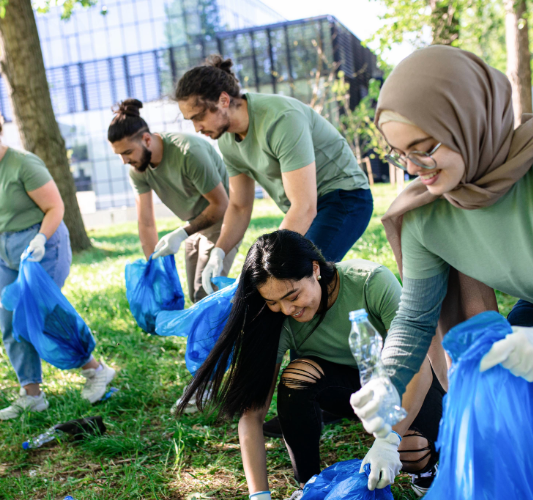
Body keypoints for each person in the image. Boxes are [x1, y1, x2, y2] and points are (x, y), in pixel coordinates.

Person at [348, 46, 533, 442]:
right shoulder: (425, 214)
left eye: (426, 149)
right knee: (494, 388)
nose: (414, 170)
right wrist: (388, 381)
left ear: (472, 121)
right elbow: (415, 318)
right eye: (400, 155)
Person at [177, 230, 444, 499]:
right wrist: (259, 495)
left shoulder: (370, 282)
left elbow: (417, 361)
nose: (287, 309)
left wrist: (389, 441)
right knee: (297, 375)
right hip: (350, 391)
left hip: (403, 384)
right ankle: (308, 484)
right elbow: (251, 414)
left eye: (292, 296)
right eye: (273, 301)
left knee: (411, 449)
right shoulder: (278, 321)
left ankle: (428, 467)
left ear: (315, 269)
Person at [0, 95, 114, 420]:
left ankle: (96, 370)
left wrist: (41, 239)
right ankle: (31, 394)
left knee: (41, 316)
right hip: (8, 250)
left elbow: (55, 207)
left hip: (43, 243)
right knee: (10, 321)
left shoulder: (23, 163)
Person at [175, 56, 374, 300]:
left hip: (345, 198)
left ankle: (358, 323)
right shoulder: (227, 139)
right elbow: (239, 206)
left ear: (224, 100)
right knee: (283, 282)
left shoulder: (281, 118)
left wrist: (259, 265)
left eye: (198, 116)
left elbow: (304, 206)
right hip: (309, 207)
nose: (196, 128)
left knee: (292, 279)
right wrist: (219, 251)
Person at [108, 99, 239, 303]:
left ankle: (238, 331)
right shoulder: (139, 170)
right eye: (119, 155)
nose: (125, 161)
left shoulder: (188, 153)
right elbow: (146, 222)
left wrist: (182, 233)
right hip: (196, 223)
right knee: (195, 297)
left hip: (225, 219)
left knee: (206, 293)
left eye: (127, 152)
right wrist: (154, 268)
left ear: (146, 139)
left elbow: (221, 205)